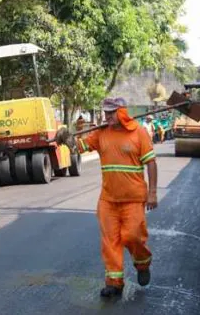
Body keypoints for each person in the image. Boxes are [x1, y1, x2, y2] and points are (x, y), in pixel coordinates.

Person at [58, 97, 158, 298]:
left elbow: (151, 163)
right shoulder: (102, 133)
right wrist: (67, 139)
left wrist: (153, 192)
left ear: (122, 112)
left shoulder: (139, 132)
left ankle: (142, 264)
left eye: (112, 113)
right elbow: (80, 147)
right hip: (108, 200)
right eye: (106, 113)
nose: (107, 116)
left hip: (133, 198)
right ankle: (114, 282)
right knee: (110, 241)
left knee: (133, 236)